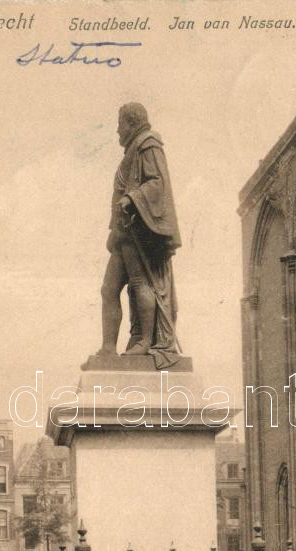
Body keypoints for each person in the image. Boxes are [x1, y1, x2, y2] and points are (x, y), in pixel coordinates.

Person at [97, 103, 182, 369]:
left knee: (138, 281)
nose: (117, 130)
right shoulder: (132, 150)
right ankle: (108, 349)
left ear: (132, 123)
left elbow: (157, 183)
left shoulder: (148, 144)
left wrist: (132, 200)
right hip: (123, 231)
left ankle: (146, 340)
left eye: (120, 123)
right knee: (108, 289)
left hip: (138, 229)